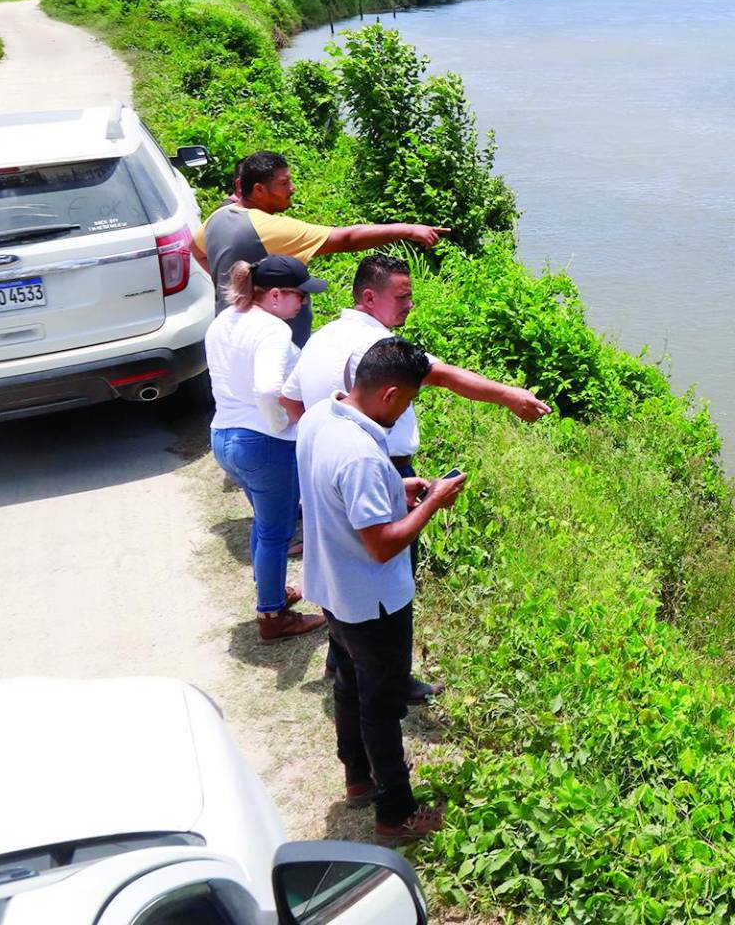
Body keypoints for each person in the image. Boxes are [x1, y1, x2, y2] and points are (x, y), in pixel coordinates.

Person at [281, 253, 551, 702]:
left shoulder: (322, 336)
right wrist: (509, 396)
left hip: (321, 467)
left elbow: (291, 402)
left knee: (338, 568)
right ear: (370, 297)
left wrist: (323, 442)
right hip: (372, 467)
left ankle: (343, 659)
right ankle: (393, 681)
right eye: (401, 297)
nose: (409, 305)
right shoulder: (375, 351)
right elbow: (441, 375)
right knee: (387, 580)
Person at [297, 337, 465, 844]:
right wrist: (433, 502)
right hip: (373, 600)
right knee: (383, 704)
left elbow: (342, 501)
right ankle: (396, 815)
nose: (408, 408)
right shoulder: (363, 458)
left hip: (333, 587)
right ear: (390, 393)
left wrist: (400, 491)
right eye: (410, 399)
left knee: (349, 685)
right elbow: (382, 544)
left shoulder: (319, 419)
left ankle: (358, 779)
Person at [192, 151, 450, 345]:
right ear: (259, 190)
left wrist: (230, 283)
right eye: (284, 183)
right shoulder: (268, 228)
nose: (291, 189)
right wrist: (408, 229)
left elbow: (196, 250)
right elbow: (347, 239)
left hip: (230, 328)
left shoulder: (219, 217)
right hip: (273, 340)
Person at [206, 255, 328, 643]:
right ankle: (273, 617)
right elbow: (265, 389)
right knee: (276, 532)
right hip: (263, 443)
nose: (304, 304)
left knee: (263, 520)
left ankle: (271, 591)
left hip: (224, 436)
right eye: (300, 297)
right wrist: (283, 423)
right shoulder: (272, 331)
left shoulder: (224, 320)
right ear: (274, 295)